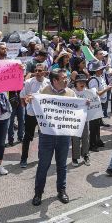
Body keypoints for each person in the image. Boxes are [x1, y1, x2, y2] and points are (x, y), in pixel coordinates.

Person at [31, 69, 76, 206]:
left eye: (66, 77)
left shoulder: (70, 93)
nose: (66, 80)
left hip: (63, 135)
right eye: (63, 78)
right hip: (47, 136)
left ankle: (61, 190)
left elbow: (76, 109)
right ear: (55, 81)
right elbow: (33, 110)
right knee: (43, 165)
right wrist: (30, 101)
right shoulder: (43, 92)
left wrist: (84, 105)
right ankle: (38, 193)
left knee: (62, 165)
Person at [19, 63, 50, 168]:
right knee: (27, 136)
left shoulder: (49, 83)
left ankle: (41, 156)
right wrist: (26, 105)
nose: (37, 72)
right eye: (36, 70)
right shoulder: (28, 82)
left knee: (43, 135)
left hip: (44, 115)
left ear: (45, 72)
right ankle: (24, 159)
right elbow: (23, 96)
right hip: (31, 114)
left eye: (40, 70)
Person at [88, 61, 112, 151]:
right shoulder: (93, 80)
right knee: (93, 126)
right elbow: (96, 94)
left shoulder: (100, 78)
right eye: (100, 69)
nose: (102, 70)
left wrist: (109, 86)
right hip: (94, 105)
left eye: (102, 68)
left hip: (100, 104)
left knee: (98, 124)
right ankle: (92, 144)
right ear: (96, 70)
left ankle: (97, 140)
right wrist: (107, 88)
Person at [70, 74, 91, 167]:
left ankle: (86, 155)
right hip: (74, 119)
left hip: (85, 118)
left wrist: (89, 103)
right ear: (76, 83)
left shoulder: (88, 92)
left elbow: (95, 104)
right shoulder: (71, 92)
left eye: (84, 82)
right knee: (75, 138)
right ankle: (75, 157)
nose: (82, 83)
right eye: (80, 82)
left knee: (86, 137)